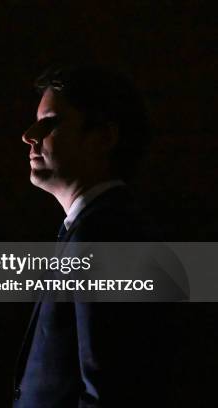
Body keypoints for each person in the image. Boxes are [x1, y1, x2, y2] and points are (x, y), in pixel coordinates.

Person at [13, 64, 181, 407]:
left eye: (50, 123)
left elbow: (111, 391)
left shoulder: (107, 235)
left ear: (104, 137)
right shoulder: (93, 230)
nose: (29, 135)